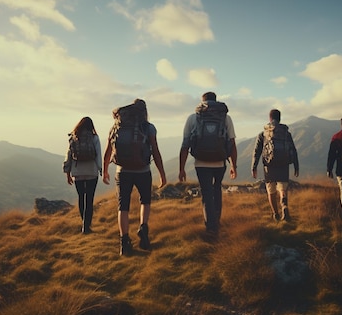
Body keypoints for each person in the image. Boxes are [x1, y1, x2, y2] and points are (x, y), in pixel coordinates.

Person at [103, 99, 166, 256]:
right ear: (144, 111)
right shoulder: (148, 127)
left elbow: (108, 151)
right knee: (145, 201)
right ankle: (143, 228)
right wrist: (162, 174)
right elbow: (155, 152)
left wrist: (105, 170)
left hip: (122, 171)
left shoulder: (117, 126)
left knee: (122, 206)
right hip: (143, 170)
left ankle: (124, 242)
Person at [179, 92, 237, 237]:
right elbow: (232, 144)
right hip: (220, 162)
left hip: (201, 162)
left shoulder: (193, 118)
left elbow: (185, 145)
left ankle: (211, 227)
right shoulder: (225, 118)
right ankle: (216, 221)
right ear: (215, 101)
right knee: (216, 189)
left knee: (206, 193)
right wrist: (233, 166)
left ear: (202, 102)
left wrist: (181, 169)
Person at [251, 109, 299, 221]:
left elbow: (256, 151)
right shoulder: (286, 133)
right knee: (283, 188)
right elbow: (293, 149)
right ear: (279, 118)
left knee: (271, 189)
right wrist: (296, 165)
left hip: (269, 165)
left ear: (270, 118)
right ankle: (284, 205)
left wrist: (254, 167)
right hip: (283, 163)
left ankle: (275, 214)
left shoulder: (263, 133)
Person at [62, 117, 102, 234]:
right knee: (89, 200)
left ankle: (83, 222)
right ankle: (87, 226)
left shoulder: (73, 137)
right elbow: (98, 155)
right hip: (91, 172)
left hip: (77, 172)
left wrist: (67, 172)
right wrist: (100, 169)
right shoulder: (94, 137)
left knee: (81, 198)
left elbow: (68, 156)